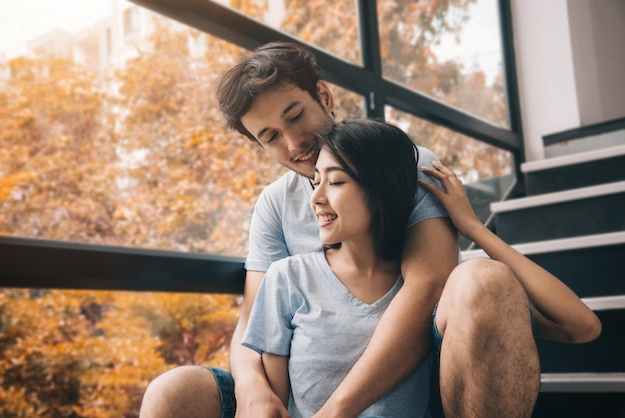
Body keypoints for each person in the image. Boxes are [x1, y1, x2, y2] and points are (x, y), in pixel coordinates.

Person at [139, 41, 601, 418]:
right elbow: (253, 323)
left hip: (415, 374)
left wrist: (337, 411)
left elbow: (426, 290)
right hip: (306, 382)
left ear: (324, 95)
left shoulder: (405, 166)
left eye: (294, 115)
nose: (293, 143)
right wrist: (253, 391)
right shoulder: (275, 206)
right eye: (270, 136)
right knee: (173, 392)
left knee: (485, 280)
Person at [242, 119, 432, 417]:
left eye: (336, 182)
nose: (316, 198)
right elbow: (276, 404)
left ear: (380, 189)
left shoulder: (421, 295)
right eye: (316, 182)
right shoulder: (287, 279)